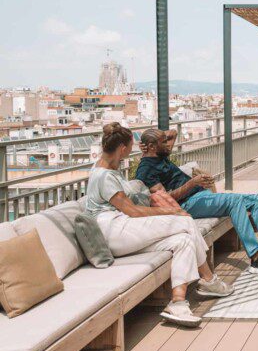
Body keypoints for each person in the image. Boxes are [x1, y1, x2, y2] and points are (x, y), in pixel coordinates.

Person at [86, 123, 232, 328]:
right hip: (113, 231)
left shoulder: (105, 168)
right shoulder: (105, 176)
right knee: (185, 221)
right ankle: (208, 279)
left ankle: (178, 303)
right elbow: (133, 211)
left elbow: (169, 134)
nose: (130, 153)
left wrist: (149, 143)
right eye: (129, 149)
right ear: (121, 149)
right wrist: (171, 211)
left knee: (183, 240)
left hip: (122, 230)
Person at [135, 128, 258, 276]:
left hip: (200, 196)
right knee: (234, 201)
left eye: (166, 142)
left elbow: (173, 133)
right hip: (188, 204)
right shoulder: (146, 169)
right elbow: (167, 200)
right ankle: (256, 258)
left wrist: (155, 139)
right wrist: (192, 183)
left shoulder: (160, 155)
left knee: (256, 199)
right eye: (163, 142)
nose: (168, 144)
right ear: (151, 147)